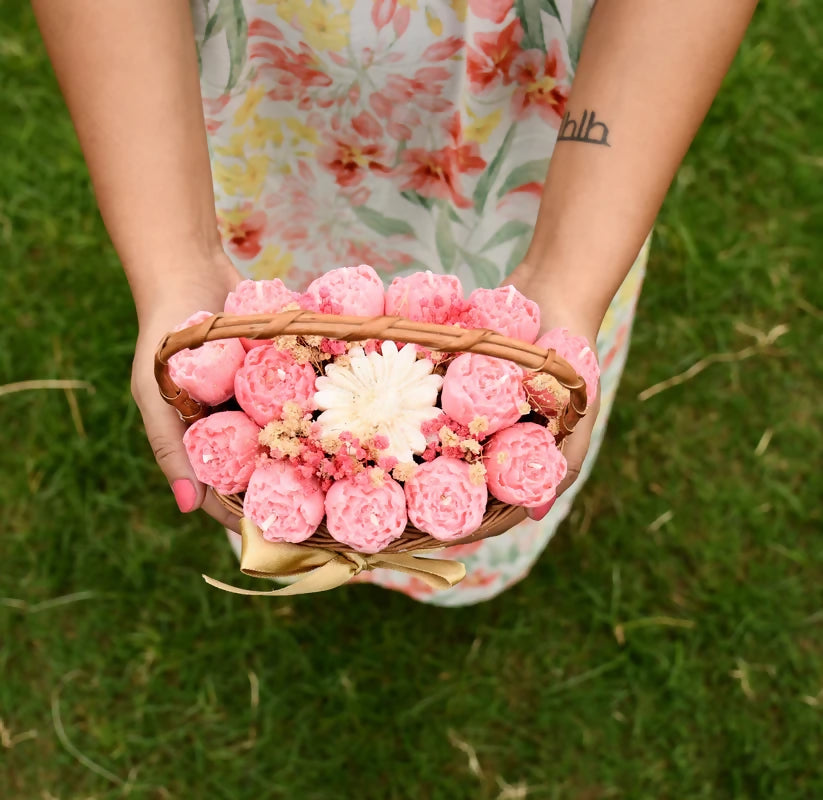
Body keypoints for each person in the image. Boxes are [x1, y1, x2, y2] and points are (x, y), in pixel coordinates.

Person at [32, 0, 757, 605]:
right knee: (257, 317)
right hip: (278, 87)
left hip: (534, 93)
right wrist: (177, 259)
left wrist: (569, 276)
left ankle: (469, 551)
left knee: (536, 332)